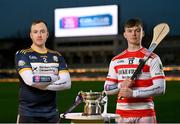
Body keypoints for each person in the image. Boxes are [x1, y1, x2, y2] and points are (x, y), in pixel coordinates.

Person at [104, 18, 166, 123]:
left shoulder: (153, 58)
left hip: (145, 115)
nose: (134, 34)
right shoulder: (116, 60)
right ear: (125, 34)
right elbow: (107, 89)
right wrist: (121, 85)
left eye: (137, 30)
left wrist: (133, 93)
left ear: (143, 33)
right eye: (130, 31)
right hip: (121, 115)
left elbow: (160, 88)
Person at [15, 19, 71, 123]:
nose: (39, 35)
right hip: (28, 113)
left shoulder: (57, 56)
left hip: (52, 114)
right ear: (31, 35)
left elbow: (67, 83)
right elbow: (31, 81)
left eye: (42, 31)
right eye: (35, 32)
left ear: (47, 34)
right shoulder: (22, 54)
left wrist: (40, 84)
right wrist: (54, 78)